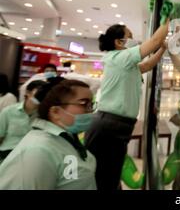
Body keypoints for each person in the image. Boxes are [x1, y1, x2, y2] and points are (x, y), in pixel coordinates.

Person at [85, 21, 169, 190]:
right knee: (105, 177)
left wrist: (162, 50)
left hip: (115, 124)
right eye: (130, 36)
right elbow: (153, 41)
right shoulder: (119, 58)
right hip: (109, 125)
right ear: (118, 42)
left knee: (110, 174)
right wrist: (169, 19)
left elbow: (146, 65)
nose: (134, 40)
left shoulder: (124, 63)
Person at [0, 79, 97, 190]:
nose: (90, 111)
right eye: (84, 104)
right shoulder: (39, 149)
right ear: (55, 112)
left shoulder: (66, 139)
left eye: (92, 105)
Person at [0, 80, 46, 163]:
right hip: (8, 153)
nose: (40, 97)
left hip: (32, 157)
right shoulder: (8, 112)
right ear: (28, 93)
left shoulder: (44, 116)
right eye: (38, 94)